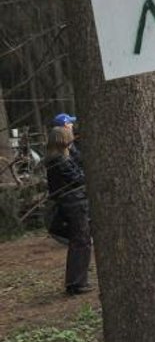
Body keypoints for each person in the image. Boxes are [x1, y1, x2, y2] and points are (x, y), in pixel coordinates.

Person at [45, 126, 93, 295]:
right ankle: (76, 283)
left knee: (79, 241)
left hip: (70, 203)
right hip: (73, 204)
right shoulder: (60, 160)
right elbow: (78, 179)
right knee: (81, 242)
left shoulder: (57, 158)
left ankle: (75, 281)